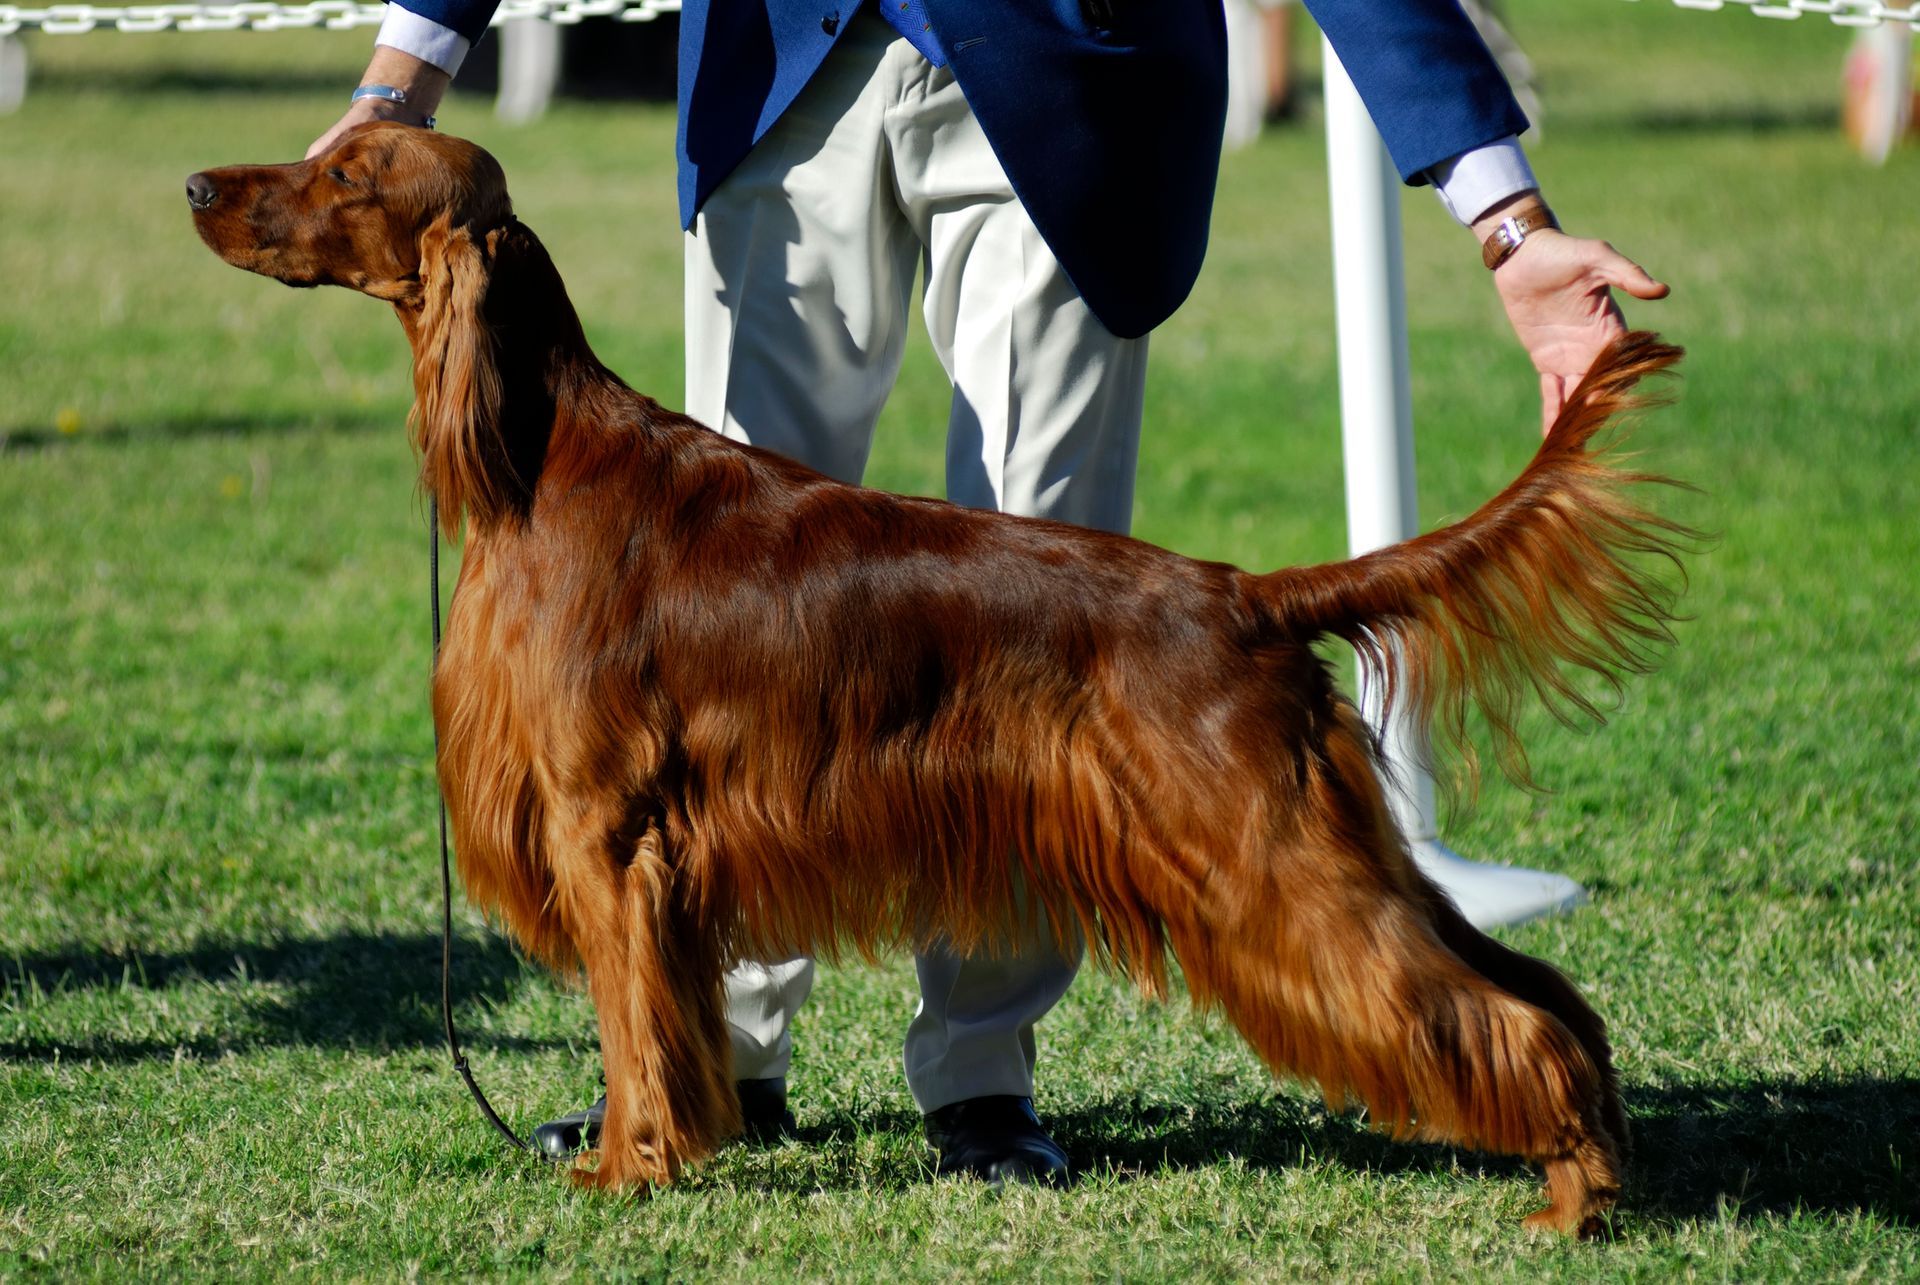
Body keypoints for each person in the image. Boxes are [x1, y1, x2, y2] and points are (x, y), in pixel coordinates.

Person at [308, 0, 1668, 1187]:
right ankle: (699, 1067)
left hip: (1065, 71)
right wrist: (402, 72)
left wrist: (1506, 217)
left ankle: (982, 1073)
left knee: (1057, 606)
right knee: (718, 633)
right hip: (785, 68)